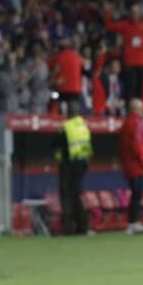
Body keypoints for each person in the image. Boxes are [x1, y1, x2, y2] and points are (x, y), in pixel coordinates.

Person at [103, 1, 143, 102]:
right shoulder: (124, 25)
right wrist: (107, 12)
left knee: (141, 89)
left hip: (142, 62)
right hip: (129, 62)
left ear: (140, 13)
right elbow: (109, 26)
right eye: (133, 11)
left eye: (137, 12)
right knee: (130, 89)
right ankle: (130, 111)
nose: (134, 14)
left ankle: (139, 110)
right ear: (129, 13)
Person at [56, 100, 93, 235]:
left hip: (68, 164)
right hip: (82, 164)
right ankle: (82, 226)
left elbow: (56, 143)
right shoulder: (84, 125)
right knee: (76, 195)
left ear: (68, 113)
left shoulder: (66, 126)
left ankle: (67, 227)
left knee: (66, 195)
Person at [120, 98, 143, 235]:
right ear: (136, 109)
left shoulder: (126, 122)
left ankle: (133, 222)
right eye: (141, 108)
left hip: (129, 163)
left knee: (136, 193)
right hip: (135, 164)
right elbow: (137, 145)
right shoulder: (136, 122)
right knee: (137, 192)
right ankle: (133, 222)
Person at [48, 36, 83, 114]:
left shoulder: (57, 56)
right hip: (75, 90)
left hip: (61, 89)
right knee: (74, 110)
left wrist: (53, 80)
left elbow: (52, 69)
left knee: (55, 105)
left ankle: (53, 119)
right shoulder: (77, 56)